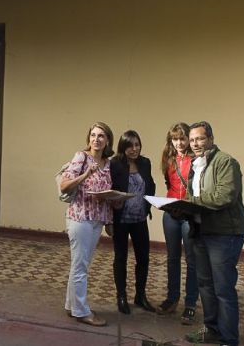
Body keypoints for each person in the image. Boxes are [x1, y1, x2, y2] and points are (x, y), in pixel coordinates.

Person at [181, 121, 244, 346]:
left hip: (224, 234)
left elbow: (224, 196)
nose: (195, 143)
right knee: (205, 286)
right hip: (200, 232)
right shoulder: (196, 165)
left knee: (223, 289)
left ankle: (229, 340)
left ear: (210, 139)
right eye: (192, 140)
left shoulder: (225, 162)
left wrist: (190, 202)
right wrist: (180, 209)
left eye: (199, 138)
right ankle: (212, 330)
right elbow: (197, 198)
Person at [60, 121, 115, 327]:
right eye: (93, 135)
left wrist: (109, 220)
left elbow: (106, 193)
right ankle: (82, 311)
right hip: (80, 218)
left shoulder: (108, 164)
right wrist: (86, 175)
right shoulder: (81, 157)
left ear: (107, 140)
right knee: (80, 265)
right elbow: (64, 186)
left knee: (80, 264)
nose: (96, 139)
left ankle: (71, 305)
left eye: (101, 136)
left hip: (97, 220)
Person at [109, 130, 156, 315]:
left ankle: (140, 296)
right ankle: (121, 296)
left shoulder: (145, 163)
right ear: (123, 147)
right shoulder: (115, 164)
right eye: (130, 146)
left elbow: (150, 184)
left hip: (140, 219)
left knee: (143, 258)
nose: (134, 149)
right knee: (120, 258)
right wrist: (114, 203)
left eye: (137, 145)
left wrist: (148, 205)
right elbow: (109, 189)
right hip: (121, 219)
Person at [157, 122, 199, 325]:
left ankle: (190, 304)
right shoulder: (169, 159)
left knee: (192, 260)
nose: (179, 143)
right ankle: (172, 298)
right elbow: (169, 182)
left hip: (189, 214)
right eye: (175, 139)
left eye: (182, 138)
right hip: (171, 212)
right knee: (172, 258)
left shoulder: (197, 159)